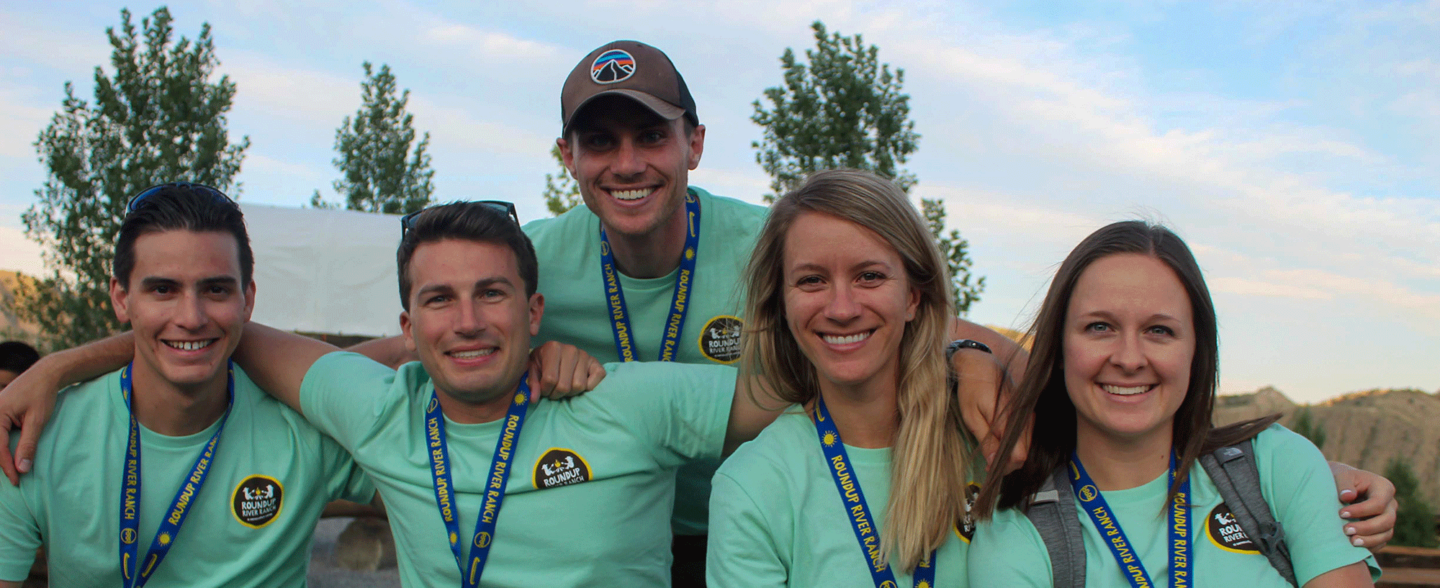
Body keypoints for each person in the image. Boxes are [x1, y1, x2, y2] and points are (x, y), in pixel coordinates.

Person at [0, 184, 374, 587]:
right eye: (163, 289)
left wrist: (59, 364)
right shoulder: (37, 440)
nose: (191, 316)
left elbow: (440, 489)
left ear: (247, 300)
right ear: (121, 298)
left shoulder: (305, 429)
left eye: (215, 289)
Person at [968, 221, 1378, 587]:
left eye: (1159, 330)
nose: (1129, 358)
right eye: (1099, 327)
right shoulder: (1014, 528)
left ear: (1196, 350)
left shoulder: (1277, 465)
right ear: (1059, 345)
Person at [707, 170, 976, 587]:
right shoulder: (751, 485)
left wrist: (974, 359)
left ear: (913, 297)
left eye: (869, 276)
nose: (842, 308)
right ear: (782, 303)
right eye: (812, 280)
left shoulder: (990, 439)